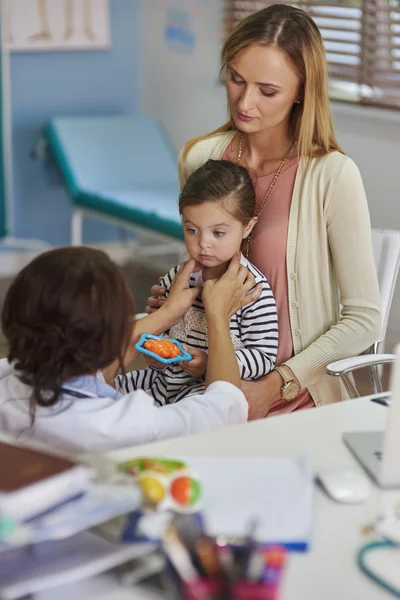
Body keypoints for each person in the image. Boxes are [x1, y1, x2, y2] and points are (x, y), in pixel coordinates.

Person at [147, 4, 381, 419]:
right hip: (201, 383)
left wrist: (275, 385)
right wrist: (174, 306)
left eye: (267, 91)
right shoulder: (200, 158)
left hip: (293, 396)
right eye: (236, 79)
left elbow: (364, 319)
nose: (245, 101)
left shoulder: (332, 176)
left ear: (302, 91)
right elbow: (206, 260)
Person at [0, 247, 260, 455]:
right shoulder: (123, 426)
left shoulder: (8, 381)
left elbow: (78, 355)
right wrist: (218, 315)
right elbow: (225, 409)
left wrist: (168, 314)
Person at [117, 160, 278, 404]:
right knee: (105, 395)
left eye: (218, 233)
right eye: (192, 230)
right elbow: (160, 333)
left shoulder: (252, 289)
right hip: (158, 383)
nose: (203, 243)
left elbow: (263, 357)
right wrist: (155, 357)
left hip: (203, 388)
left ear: (247, 227)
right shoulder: (177, 278)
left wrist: (207, 362)